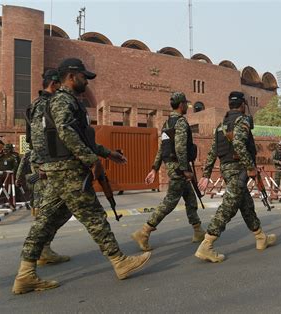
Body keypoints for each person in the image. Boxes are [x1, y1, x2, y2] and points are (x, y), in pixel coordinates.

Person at [12, 58, 150, 295]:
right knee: (95, 217)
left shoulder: (65, 102)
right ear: (71, 76)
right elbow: (66, 133)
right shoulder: (63, 101)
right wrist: (91, 160)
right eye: (84, 77)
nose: (86, 81)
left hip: (59, 170)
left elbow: (84, 138)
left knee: (46, 220)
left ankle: (25, 275)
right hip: (68, 170)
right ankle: (119, 262)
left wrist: (108, 154)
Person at [195, 91, 276, 263]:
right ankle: (206, 245)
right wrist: (250, 167)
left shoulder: (221, 125)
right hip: (239, 169)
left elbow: (213, 151)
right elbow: (239, 144)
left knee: (245, 204)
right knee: (229, 205)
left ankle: (261, 237)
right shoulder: (242, 120)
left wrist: (206, 174)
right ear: (242, 104)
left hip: (227, 168)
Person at [131, 91, 204, 251]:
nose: (187, 106)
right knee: (170, 202)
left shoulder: (167, 124)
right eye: (185, 103)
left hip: (172, 165)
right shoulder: (180, 122)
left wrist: (154, 169)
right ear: (181, 105)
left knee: (191, 199)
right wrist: (185, 170)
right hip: (179, 167)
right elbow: (179, 148)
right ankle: (144, 232)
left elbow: (161, 149)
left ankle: (198, 231)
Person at [19, 69, 70, 265]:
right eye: (60, 85)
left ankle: (43, 248)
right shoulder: (43, 104)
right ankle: (35, 255)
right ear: (54, 84)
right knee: (48, 211)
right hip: (45, 167)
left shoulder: (43, 103)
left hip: (48, 164)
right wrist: (43, 166)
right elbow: (39, 139)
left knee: (62, 208)